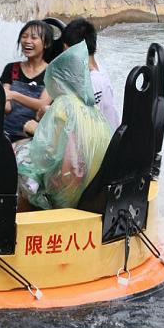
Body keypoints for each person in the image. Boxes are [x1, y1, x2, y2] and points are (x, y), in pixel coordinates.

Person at [17, 42, 112, 210]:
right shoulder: (94, 110)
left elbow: (50, 153)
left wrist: (35, 129)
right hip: (93, 192)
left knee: (19, 153)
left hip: (66, 195)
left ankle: (21, 218)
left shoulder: (63, 105)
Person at [61, 18, 120, 131]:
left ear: (70, 50)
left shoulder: (90, 83)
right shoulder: (99, 70)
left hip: (101, 144)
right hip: (111, 137)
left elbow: (78, 128)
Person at [0, 20, 54, 142]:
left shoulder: (52, 73)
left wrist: (14, 95)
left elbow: (42, 104)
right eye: (24, 36)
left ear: (46, 43)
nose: (27, 41)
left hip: (33, 138)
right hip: (5, 136)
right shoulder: (11, 68)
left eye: (34, 38)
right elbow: (6, 107)